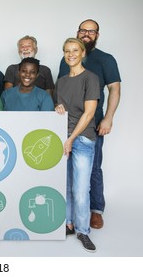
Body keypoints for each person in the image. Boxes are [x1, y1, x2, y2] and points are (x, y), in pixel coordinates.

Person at [58, 19, 121, 229]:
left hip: (93, 122)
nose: (86, 33)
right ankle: (70, 218)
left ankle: (96, 210)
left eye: (91, 31)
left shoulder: (105, 59)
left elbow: (114, 89)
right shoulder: (65, 60)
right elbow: (62, 90)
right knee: (68, 175)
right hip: (67, 126)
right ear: (77, 32)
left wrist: (108, 117)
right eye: (83, 30)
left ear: (97, 35)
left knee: (93, 169)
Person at [54, 38, 100, 252]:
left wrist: (71, 139)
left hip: (82, 138)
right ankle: (68, 224)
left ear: (83, 53)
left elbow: (89, 112)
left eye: (74, 50)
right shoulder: (61, 81)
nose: (70, 54)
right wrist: (58, 109)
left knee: (81, 189)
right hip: (62, 137)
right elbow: (60, 107)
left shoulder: (91, 78)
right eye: (66, 51)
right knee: (65, 186)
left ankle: (83, 231)